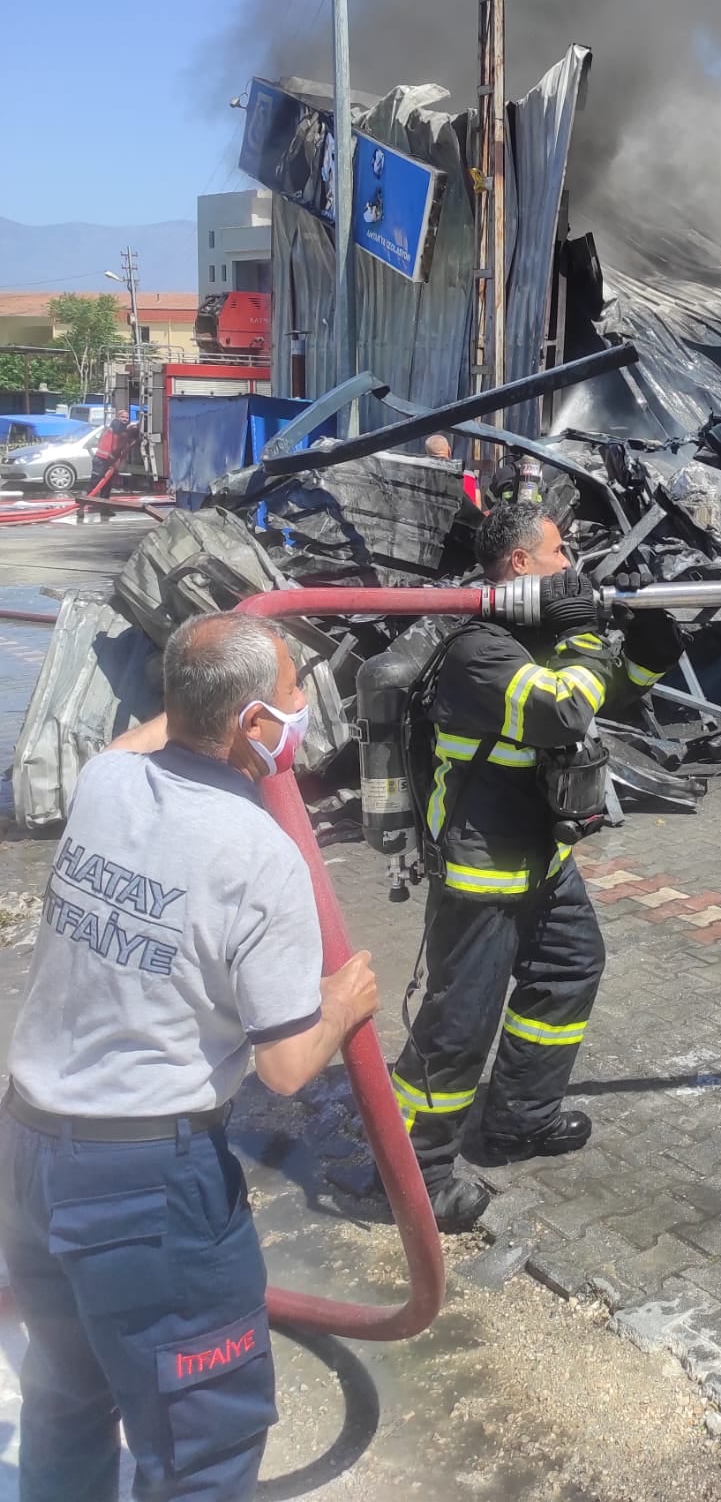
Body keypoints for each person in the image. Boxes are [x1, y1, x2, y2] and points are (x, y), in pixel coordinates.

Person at [0, 614, 379, 1502]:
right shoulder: (260, 856)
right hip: (145, 1185)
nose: (301, 712)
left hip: (29, 1151)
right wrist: (343, 1004)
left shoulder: (106, 779)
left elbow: (161, 726)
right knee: (202, 1436)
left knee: (68, 1395)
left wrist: (207, 667)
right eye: (290, 697)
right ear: (253, 723)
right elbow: (286, 1070)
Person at [390, 500, 683, 1230]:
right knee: (457, 1028)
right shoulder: (478, 650)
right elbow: (560, 712)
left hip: (543, 861)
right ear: (520, 564)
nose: (571, 566)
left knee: (569, 970)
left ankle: (521, 1118)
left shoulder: (530, 636)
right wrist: (584, 632)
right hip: (483, 874)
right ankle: (412, 1177)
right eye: (559, 554)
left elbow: (600, 691)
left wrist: (647, 652)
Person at [89, 406, 137, 505]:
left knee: (107, 486)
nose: (125, 419)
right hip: (101, 460)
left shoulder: (124, 432)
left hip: (109, 462)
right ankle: (81, 505)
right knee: (94, 484)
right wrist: (129, 427)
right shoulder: (115, 425)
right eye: (122, 417)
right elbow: (118, 427)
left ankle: (104, 509)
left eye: (127, 418)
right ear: (117, 417)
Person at [423, 431, 480, 509]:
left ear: (426, 455)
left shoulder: (422, 477)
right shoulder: (470, 477)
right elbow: (478, 508)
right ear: (449, 451)